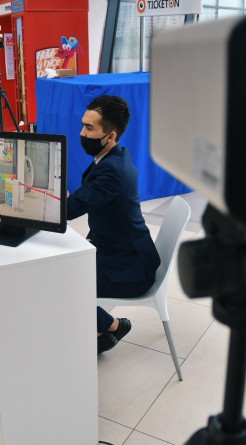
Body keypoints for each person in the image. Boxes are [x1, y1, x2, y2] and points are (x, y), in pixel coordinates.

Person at [67, 95, 161, 355]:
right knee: (62, 270)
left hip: (131, 269)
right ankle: (106, 328)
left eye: (89, 128)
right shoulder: (115, 155)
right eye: (83, 125)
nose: (81, 133)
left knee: (62, 280)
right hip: (121, 249)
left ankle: (112, 325)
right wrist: (92, 236)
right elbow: (105, 208)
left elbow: (71, 208)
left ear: (110, 136)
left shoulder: (111, 171)